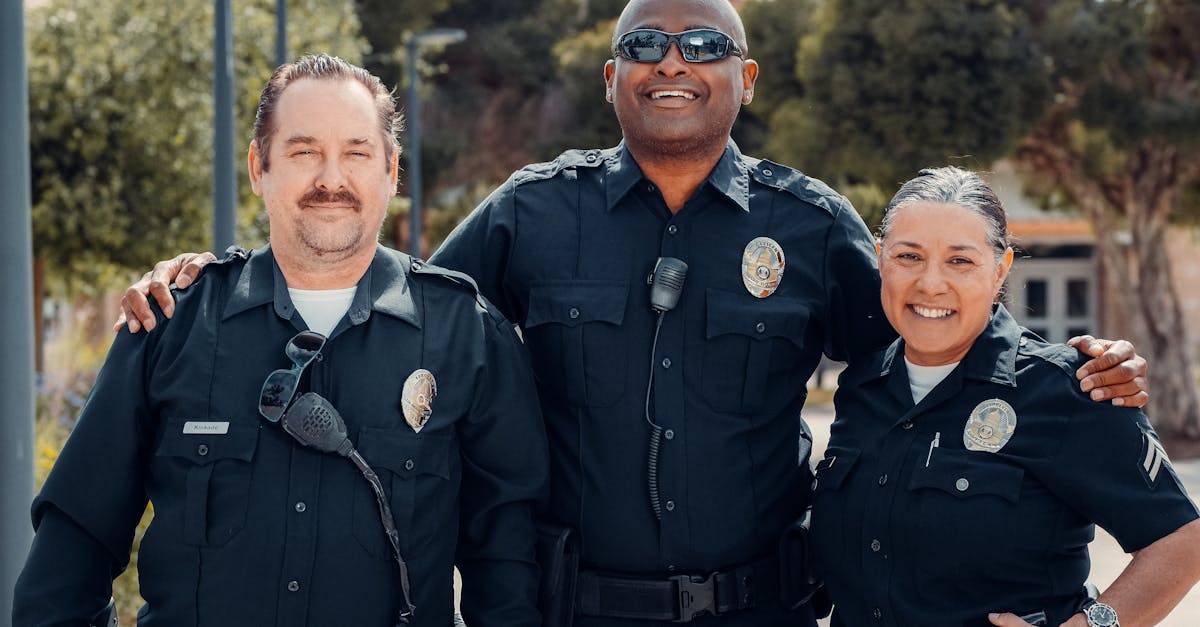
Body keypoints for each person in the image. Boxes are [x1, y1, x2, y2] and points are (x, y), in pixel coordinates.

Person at [115, 2, 1151, 625]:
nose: (672, 60)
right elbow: (390, 312)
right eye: (645, 42)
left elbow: (938, 335)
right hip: (575, 610)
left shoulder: (809, 225)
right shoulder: (528, 213)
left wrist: (1069, 369)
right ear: (612, 74)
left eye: (703, 44)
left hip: (764, 609)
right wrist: (225, 278)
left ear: (743, 77)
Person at [14, 54, 548, 627]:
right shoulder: (171, 324)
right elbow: (68, 559)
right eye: (303, 151)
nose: (331, 179)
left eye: (357, 153)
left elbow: (508, 571)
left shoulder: (467, 335)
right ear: (257, 167)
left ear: (392, 172)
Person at [810, 166, 1200, 627]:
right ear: (880, 260)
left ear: (1001, 270)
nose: (931, 283)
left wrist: (1092, 625)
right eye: (909, 256)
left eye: (960, 261)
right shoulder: (863, 386)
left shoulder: (1068, 387)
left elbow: (1181, 539)